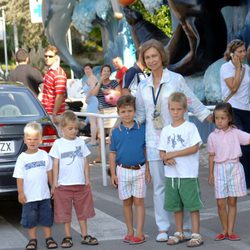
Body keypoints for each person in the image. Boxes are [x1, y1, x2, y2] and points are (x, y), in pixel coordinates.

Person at [135, 39, 211, 242]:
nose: (151, 60)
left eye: (154, 55)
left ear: (162, 56)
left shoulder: (176, 79)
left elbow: (191, 100)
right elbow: (140, 115)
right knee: (160, 187)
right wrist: (122, 124)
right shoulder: (142, 86)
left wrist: (206, 115)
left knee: (183, 185)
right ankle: (163, 227)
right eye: (147, 57)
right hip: (154, 143)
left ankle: (185, 228)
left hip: (178, 143)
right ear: (144, 60)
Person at [158, 92, 204, 247]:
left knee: (192, 205)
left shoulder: (190, 127)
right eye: (172, 109)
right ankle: (179, 232)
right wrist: (166, 157)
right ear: (169, 109)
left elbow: (194, 147)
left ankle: (196, 234)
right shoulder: (166, 130)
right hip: (172, 175)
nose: (175, 112)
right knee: (176, 206)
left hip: (188, 174)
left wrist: (174, 153)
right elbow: (162, 152)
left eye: (178, 109)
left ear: (184, 109)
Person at [49, 111, 98, 248]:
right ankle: (67, 236)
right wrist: (54, 183)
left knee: (83, 212)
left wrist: (87, 180)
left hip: (80, 184)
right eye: (70, 128)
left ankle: (85, 235)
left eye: (76, 128)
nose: (74, 131)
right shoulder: (58, 144)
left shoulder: (81, 143)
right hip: (63, 185)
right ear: (62, 129)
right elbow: (55, 165)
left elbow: (85, 162)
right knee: (65, 213)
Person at [109, 95, 151, 245]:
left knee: (139, 201)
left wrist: (148, 170)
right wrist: (113, 173)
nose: (127, 114)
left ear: (134, 111)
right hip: (122, 170)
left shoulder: (142, 129)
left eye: (129, 111)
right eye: (123, 111)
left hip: (139, 169)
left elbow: (146, 150)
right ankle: (129, 231)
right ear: (118, 112)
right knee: (126, 202)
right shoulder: (116, 132)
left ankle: (139, 233)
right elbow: (112, 153)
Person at [207, 102, 249, 241]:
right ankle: (223, 229)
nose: (219, 121)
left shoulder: (236, 133)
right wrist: (211, 173)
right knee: (220, 203)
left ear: (230, 118)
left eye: (222, 118)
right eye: (217, 118)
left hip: (235, 168)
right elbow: (211, 155)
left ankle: (230, 231)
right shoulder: (212, 136)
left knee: (232, 202)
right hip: (219, 170)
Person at [13, 121, 58, 250]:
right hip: (29, 196)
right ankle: (32, 240)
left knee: (46, 217)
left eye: (35, 139)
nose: (32, 141)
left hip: (44, 195)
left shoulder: (44, 155)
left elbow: (49, 172)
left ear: (41, 140)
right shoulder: (22, 158)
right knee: (30, 219)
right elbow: (19, 177)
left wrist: (53, 187)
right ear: (24, 140)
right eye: (29, 139)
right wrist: (20, 192)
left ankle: (49, 238)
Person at [220, 39, 250, 191]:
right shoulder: (226, 68)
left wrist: (241, 68)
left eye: (244, 50)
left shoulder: (247, 68)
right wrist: (237, 68)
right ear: (232, 53)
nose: (243, 54)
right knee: (242, 146)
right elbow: (233, 88)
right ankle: (245, 182)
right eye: (240, 51)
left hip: (247, 109)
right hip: (233, 109)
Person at [91, 64, 121, 163]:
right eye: (104, 71)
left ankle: (116, 156)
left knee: (113, 136)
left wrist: (111, 91)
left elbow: (120, 93)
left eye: (108, 71)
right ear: (101, 73)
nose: (106, 73)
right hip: (101, 112)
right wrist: (100, 81)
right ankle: (101, 157)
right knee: (100, 137)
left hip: (112, 111)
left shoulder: (114, 83)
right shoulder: (98, 83)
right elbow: (94, 93)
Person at [41, 45, 67, 128]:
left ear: (56, 57)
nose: (47, 58)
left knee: (55, 139)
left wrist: (54, 114)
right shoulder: (49, 71)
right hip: (47, 113)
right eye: (46, 56)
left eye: (50, 56)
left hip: (55, 115)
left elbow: (60, 95)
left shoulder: (59, 73)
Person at [82, 63, 99, 146]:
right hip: (92, 102)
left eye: (88, 68)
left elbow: (92, 88)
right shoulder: (90, 78)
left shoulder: (91, 78)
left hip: (92, 101)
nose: (87, 70)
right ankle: (95, 139)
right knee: (95, 122)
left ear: (92, 69)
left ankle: (93, 140)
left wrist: (87, 98)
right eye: (85, 69)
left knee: (93, 122)